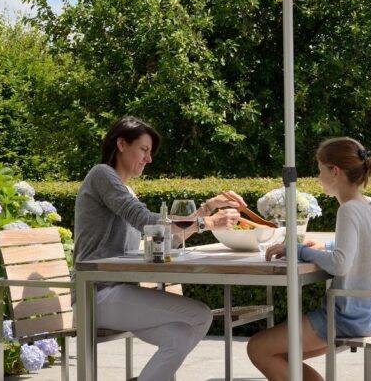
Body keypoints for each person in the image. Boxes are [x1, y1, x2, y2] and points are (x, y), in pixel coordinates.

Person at [73, 115, 244, 381]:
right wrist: (207, 222)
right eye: (143, 149)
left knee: (180, 336)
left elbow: (162, 240)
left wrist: (207, 208)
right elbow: (144, 220)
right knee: (200, 315)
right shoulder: (101, 174)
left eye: (149, 152)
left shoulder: (126, 190)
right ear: (121, 144)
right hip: (96, 295)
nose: (149, 159)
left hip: (118, 293)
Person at [247, 137, 371, 381]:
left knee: (258, 348)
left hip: (346, 318)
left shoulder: (348, 209)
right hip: (370, 314)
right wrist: (327, 245)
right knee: (281, 354)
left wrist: (297, 250)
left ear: (335, 171)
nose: (318, 177)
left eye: (320, 169)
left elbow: (339, 264)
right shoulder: (370, 204)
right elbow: (368, 245)